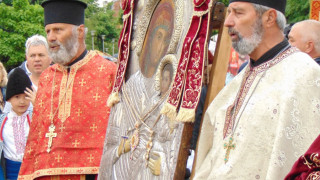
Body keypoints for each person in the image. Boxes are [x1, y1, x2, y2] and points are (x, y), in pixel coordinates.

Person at [193, 0, 320, 179]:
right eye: (229, 12)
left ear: (269, 18)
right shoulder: (239, 80)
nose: (228, 21)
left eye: (238, 13)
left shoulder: (307, 77)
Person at [18, 0, 117, 179]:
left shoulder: (108, 71)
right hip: (47, 173)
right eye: (48, 31)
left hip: (94, 173)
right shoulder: (47, 77)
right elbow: (36, 135)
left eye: (58, 30)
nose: (50, 37)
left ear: (79, 32)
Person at [0, 68, 33, 180]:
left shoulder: (36, 118)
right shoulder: (2, 121)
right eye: (17, 97)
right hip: (9, 172)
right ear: (9, 99)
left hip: (32, 171)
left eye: (26, 96)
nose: (22, 101)